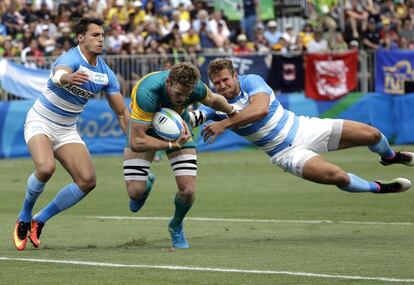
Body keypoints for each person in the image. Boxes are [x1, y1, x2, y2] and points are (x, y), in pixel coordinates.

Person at [192, 58, 413, 196]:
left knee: (372, 134)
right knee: (338, 177)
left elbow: (260, 109)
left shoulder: (252, 81)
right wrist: (178, 122)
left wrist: (225, 124)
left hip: (304, 127)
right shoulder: (216, 106)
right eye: (217, 83)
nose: (222, 86)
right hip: (285, 153)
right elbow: (194, 117)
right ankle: (379, 188)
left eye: (225, 80)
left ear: (235, 76)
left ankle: (391, 157)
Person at [13, 17, 130, 251]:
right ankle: (24, 216)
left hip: (66, 129)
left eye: (102, 35)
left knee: (87, 181)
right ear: (80, 38)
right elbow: (59, 74)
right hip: (41, 121)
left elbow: (121, 114)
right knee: (46, 169)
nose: (101, 39)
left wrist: (134, 142)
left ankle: (39, 220)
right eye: (95, 35)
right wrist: (67, 77)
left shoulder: (106, 74)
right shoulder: (70, 58)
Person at [123, 62, 235, 249]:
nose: (182, 99)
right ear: (168, 82)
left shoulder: (197, 87)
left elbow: (215, 100)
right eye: (178, 94)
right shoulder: (147, 92)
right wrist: (170, 144)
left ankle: (176, 224)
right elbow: (136, 141)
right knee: (135, 193)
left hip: (179, 127)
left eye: (187, 95)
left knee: (188, 190)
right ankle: (146, 181)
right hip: (146, 130)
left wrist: (233, 112)